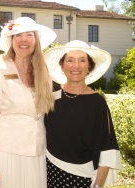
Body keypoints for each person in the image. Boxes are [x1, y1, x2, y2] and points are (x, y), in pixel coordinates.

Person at [0, 17, 57, 188]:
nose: (24, 40)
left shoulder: (43, 70)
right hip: (6, 154)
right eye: (18, 35)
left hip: (37, 154)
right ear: (11, 40)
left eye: (29, 35)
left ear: (36, 40)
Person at [43, 40, 122, 188]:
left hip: (81, 177)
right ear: (62, 65)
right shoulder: (51, 96)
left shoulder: (97, 103)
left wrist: (98, 185)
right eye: (70, 60)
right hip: (48, 172)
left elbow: (107, 147)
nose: (76, 66)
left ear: (89, 67)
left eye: (82, 60)